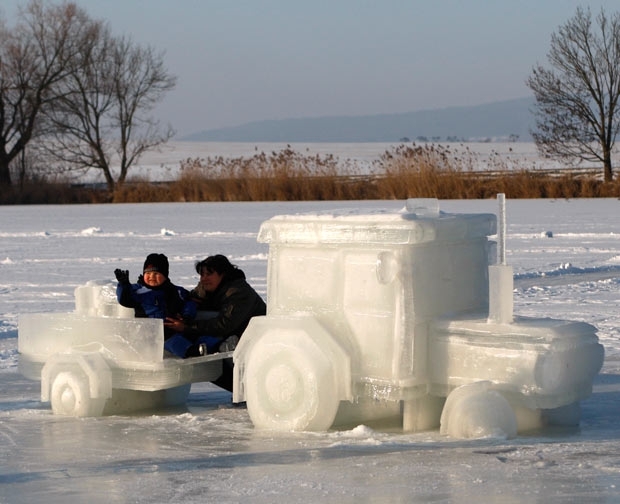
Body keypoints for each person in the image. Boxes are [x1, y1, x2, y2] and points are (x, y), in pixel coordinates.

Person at [164, 254, 266, 391]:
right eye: (202, 275)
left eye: (209, 274)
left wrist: (186, 327)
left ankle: (248, 390)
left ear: (223, 274)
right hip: (231, 336)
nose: (204, 279)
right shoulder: (206, 288)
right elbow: (189, 300)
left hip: (254, 342)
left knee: (210, 360)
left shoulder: (238, 292)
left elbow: (224, 325)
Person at [114, 253, 196, 347]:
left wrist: (186, 316)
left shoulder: (176, 291)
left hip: (174, 327)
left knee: (192, 334)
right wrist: (124, 285)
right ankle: (193, 352)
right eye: (148, 273)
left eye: (156, 274)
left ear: (165, 275)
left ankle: (213, 347)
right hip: (149, 334)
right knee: (172, 342)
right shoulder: (138, 291)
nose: (152, 277)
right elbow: (125, 299)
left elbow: (189, 303)